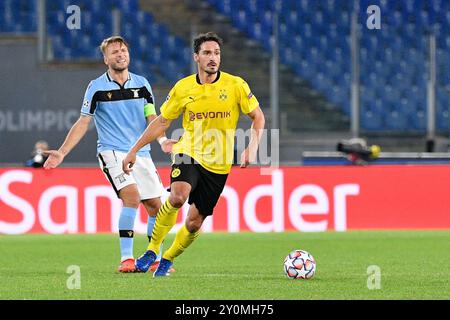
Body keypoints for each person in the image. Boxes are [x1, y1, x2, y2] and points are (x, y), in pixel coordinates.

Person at [122, 32, 265, 277]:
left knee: (194, 222)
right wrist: (133, 151)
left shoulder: (235, 85)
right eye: (207, 53)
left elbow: (258, 116)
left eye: (217, 53)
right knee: (177, 196)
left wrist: (253, 146)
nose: (213, 58)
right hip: (188, 152)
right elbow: (162, 122)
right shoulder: (183, 88)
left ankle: (168, 258)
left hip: (219, 164)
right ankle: (153, 249)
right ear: (196, 57)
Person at [43, 36, 176, 273]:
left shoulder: (143, 84)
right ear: (106, 59)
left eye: (123, 50)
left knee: (156, 206)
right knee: (132, 197)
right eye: (114, 52)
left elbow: (151, 117)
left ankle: (153, 257)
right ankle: (127, 259)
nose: (120, 54)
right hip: (112, 151)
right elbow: (84, 122)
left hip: (141, 153)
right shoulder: (96, 87)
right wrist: (62, 152)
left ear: (129, 54)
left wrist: (163, 140)